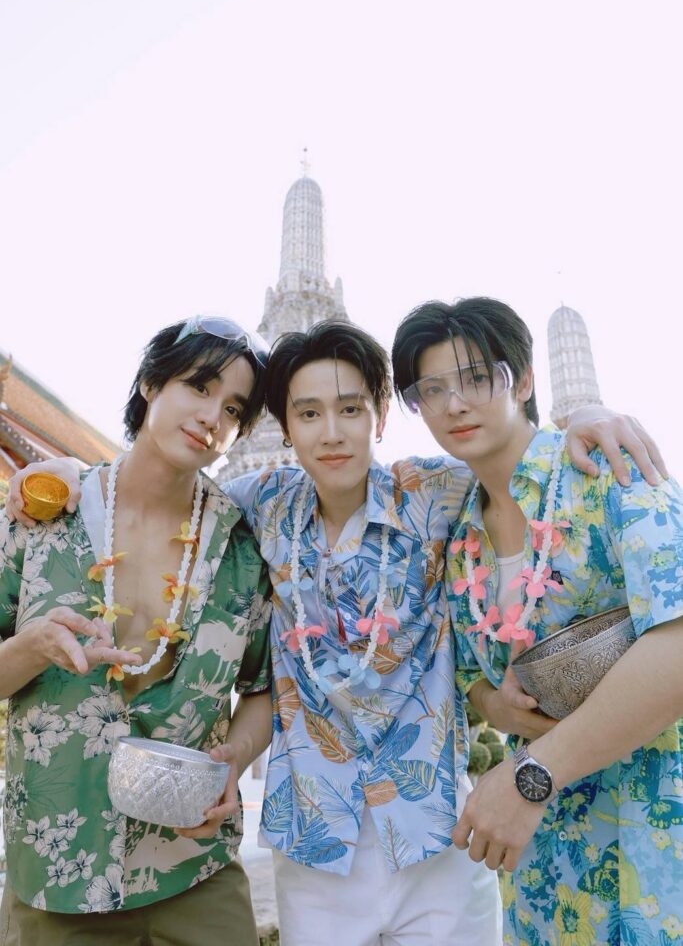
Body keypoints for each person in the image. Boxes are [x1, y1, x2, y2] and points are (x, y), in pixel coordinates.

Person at [8, 319, 666, 946]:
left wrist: (584, 414)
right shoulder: (260, 504)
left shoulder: (436, 492)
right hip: (315, 843)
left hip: (435, 834)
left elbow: (511, 454)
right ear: (285, 427)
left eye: (351, 409)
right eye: (308, 413)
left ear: (379, 418)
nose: (331, 433)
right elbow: (162, 485)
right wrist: (70, 476)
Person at [391, 297, 683, 946]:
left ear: (522, 381)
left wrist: (533, 776)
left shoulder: (608, 470)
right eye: (430, 390)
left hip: (656, 831)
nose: (454, 404)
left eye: (476, 378)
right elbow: (466, 673)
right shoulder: (455, 532)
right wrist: (493, 703)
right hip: (544, 864)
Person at [0, 317, 273, 946]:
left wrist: (235, 761)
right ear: (151, 383)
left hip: (194, 867)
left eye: (234, 408)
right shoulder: (46, 512)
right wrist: (32, 647)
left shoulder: (241, 548)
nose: (213, 417)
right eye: (199, 386)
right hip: (59, 869)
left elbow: (262, 688)